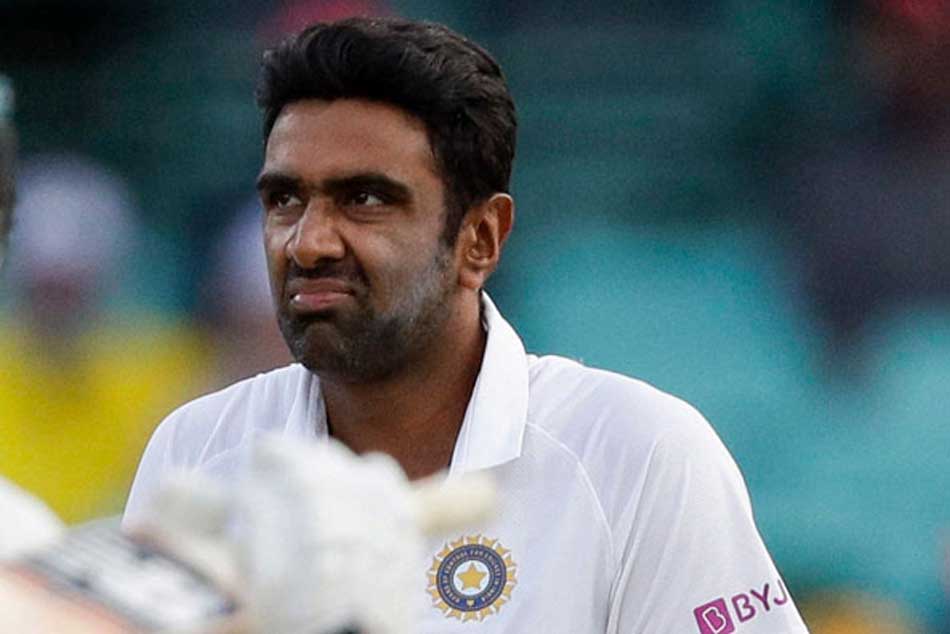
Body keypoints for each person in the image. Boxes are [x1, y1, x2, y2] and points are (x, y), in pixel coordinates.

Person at [125, 16, 810, 634]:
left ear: (481, 238)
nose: (308, 242)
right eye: (284, 199)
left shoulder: (638, 454)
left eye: (365, 199)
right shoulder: (198, 449)